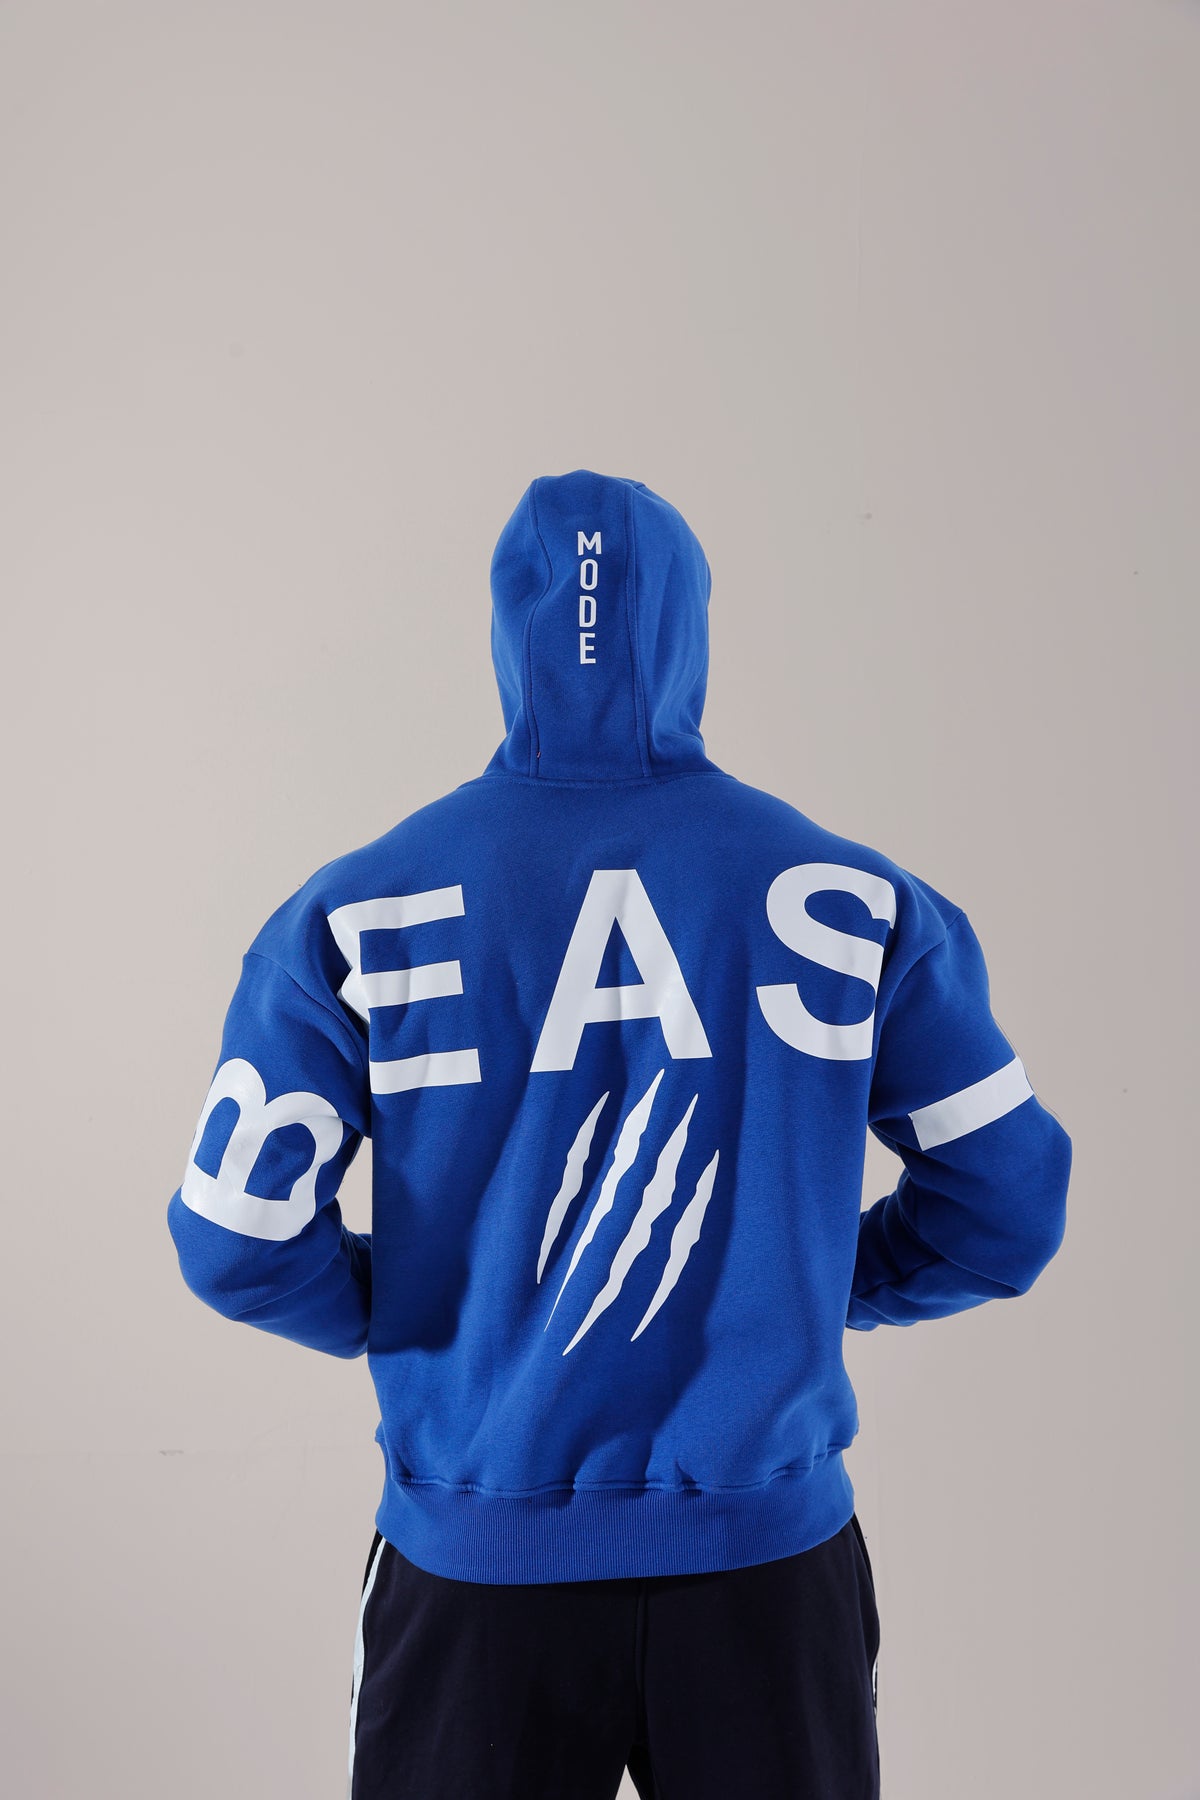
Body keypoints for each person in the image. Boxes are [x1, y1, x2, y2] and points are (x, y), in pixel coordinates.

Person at [167, 468, 1072, 1799]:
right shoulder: (853, 897)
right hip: (768, 1573)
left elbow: (236, 1242)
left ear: (507, 635)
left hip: (478, 1575)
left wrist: (415, 1310)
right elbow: (1007, 1202)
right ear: (690, 628)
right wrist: (818, 1282)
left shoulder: (358, 909)